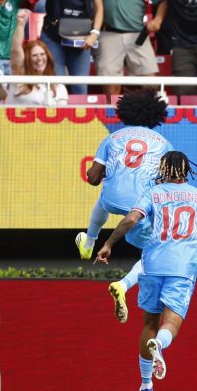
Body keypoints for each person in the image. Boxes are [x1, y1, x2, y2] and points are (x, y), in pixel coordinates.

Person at [94, 150, 197, 389]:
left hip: (151, 266)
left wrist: (108, 244)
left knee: (149, 323)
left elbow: (130, 220)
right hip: (182, 269)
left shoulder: (153, 193)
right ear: (186, 170)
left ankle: (146, 383)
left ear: (164, 169)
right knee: (171, 324)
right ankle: (159, 345)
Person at [80, 89, 172, 322]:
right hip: (139, 207)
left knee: (103, 197)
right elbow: (168, 183)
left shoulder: (112, 138)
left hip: (112, 200)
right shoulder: (164, 144)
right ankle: (123, 285)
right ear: (155, 116)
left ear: (125, 113)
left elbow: (92, 179)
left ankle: (89, 241)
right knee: (155, 252)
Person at [7, 9, 69, 105]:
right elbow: (15, 50)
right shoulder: (19, 79)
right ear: (27, 59)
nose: (39, 58)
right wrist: (20, 25)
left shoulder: (59, 87)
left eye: (42, 54)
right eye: (34, 55)